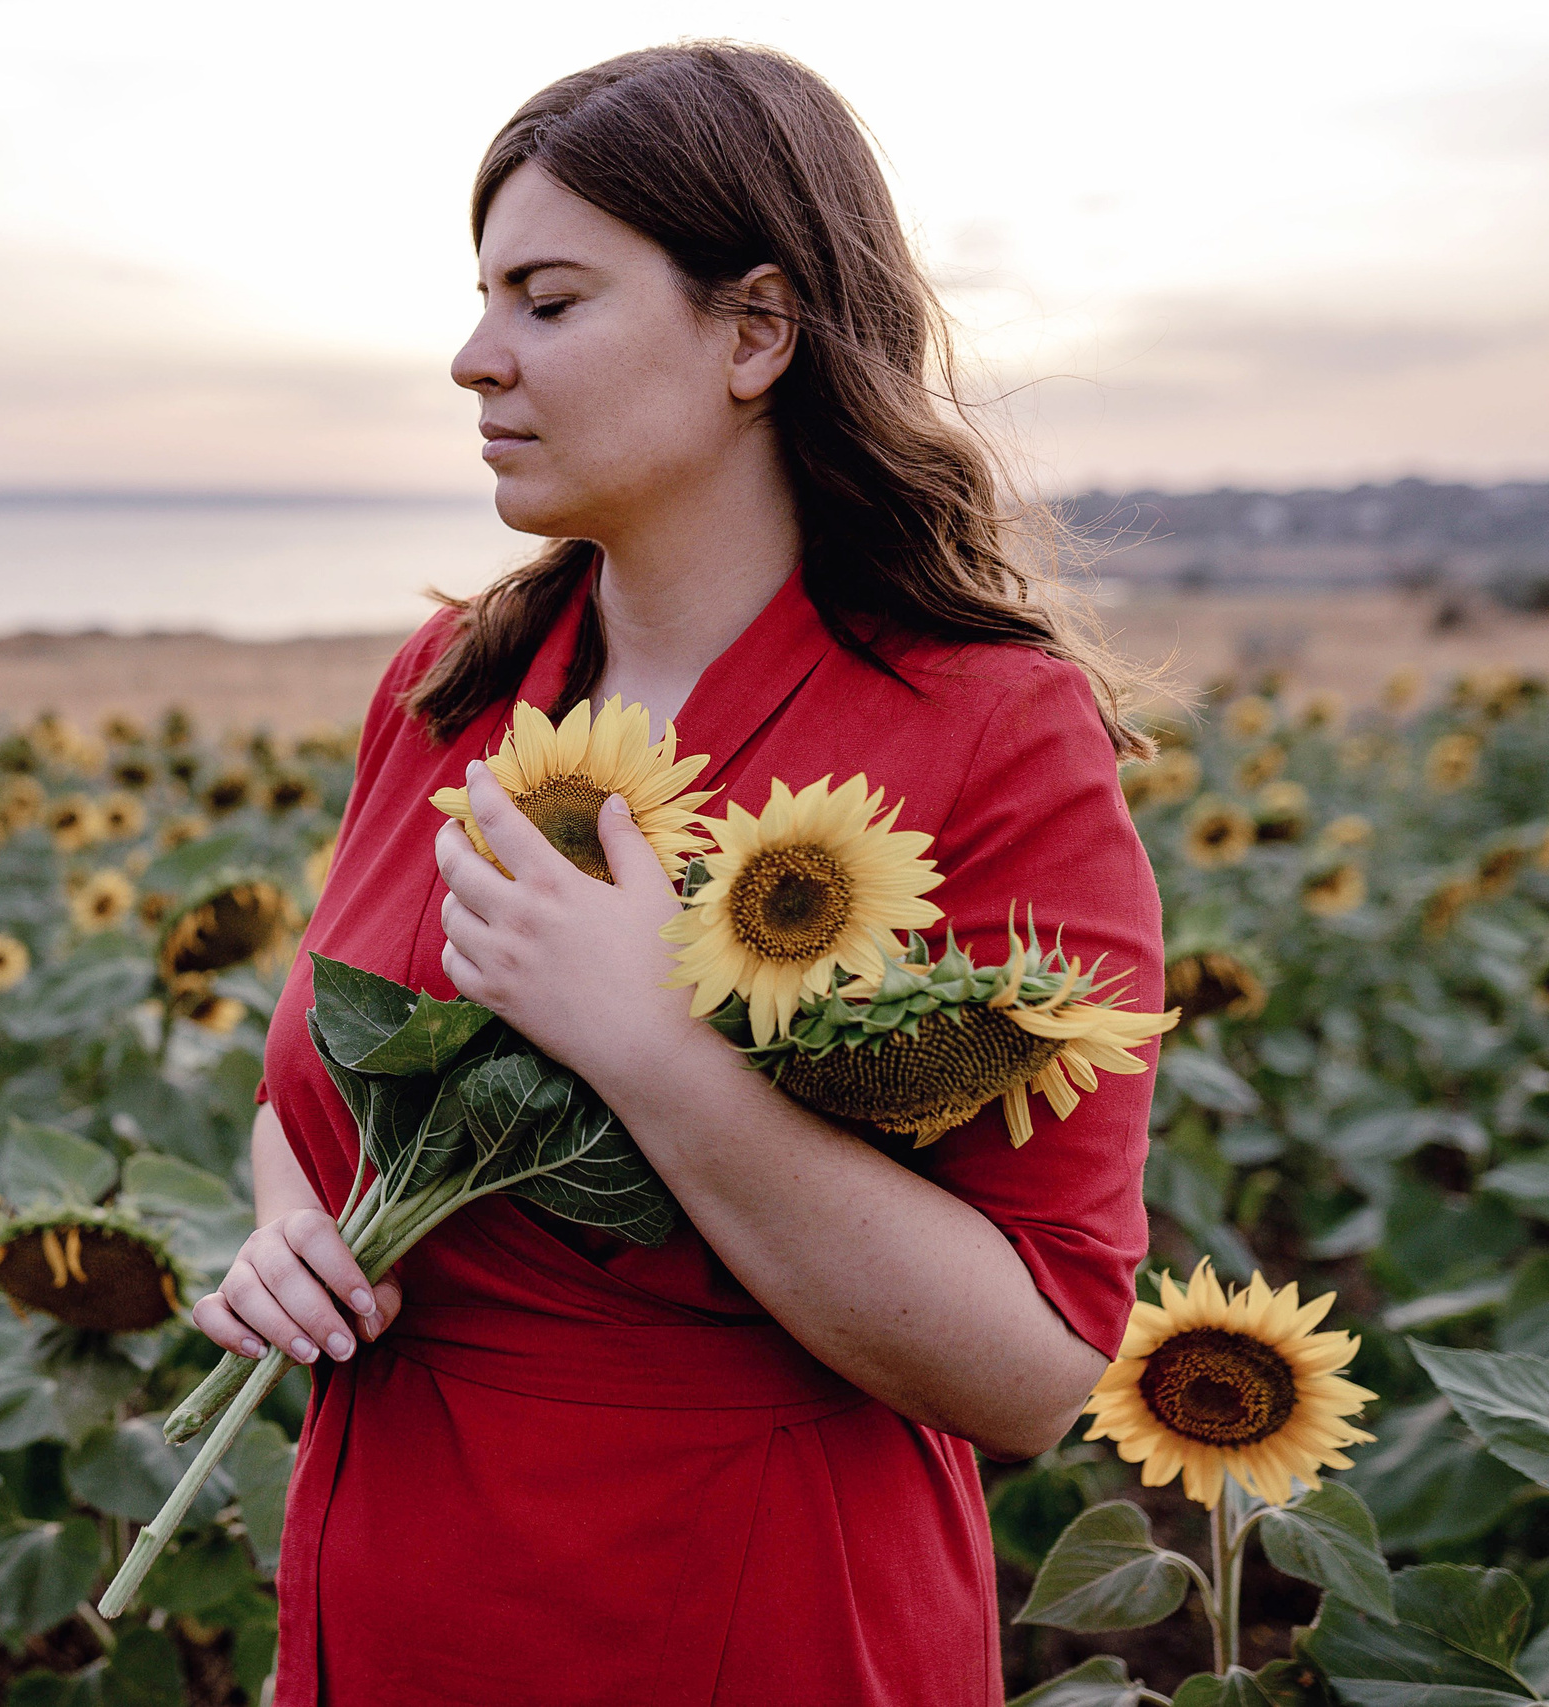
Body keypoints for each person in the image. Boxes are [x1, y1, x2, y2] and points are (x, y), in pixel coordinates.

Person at [188, 41, 1166, 1706]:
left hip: (741, 1613)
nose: (472, 357)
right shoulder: (451, 686)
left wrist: (653, 1045)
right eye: (482, 296)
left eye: (548, 302)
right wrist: (298, 1226)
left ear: (756, 331)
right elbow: (315, 1080)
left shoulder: (991, 732)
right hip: (390, 1586)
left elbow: (1035, 1369)